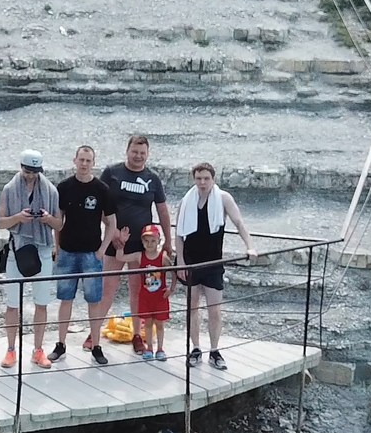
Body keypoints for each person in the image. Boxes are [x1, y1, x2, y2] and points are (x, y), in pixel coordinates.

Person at [175, 162, 257, 371]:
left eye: (206, 178)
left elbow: (239, 223)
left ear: (213, 179)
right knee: (192, 308)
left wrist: (250, 247)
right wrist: (181, 262)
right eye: (198, 178)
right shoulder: (187, 200)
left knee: (215, 310)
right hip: (192, 262)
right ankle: (195, 348)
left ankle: (214, 350)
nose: (202, 182)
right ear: (194, 179)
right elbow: (179, 236)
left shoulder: (223, 199)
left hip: (213, 263)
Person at [100, 135, 172, 355]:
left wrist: (168, 241)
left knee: (137, 291)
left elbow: (162, 210)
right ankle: (93, 333)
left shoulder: (153, 179)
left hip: (142, 246)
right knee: (108, 289)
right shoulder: (111, 173)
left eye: (142, 153)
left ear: (147, 154)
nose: (138, 156)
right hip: (115, 242)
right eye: (135, 151)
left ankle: (137, 335)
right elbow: (101, 207)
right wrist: (111, 234)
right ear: (127, 151)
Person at [49, 145, 117, 365]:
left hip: (91, 254)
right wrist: (57, 248)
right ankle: (60, 344)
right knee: (65, 299)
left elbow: (111, 222)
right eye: (82, 160)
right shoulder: (64, 187)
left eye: (89, 160)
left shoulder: (102, 189)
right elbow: (58, 221)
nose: (85, 164)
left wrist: (102, 249)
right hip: (68, 252)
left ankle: (96, 346)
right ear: (75, 161)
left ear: (93, 163)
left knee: (94, 301)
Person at [0, 149, 63, 369]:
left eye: (35, 171)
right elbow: (1, 222)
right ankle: (10, 349)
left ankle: (38, 349)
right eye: (28, 170)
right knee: (12, 303)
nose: (31, 175)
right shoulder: (9, 189)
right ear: (21, 167)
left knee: (41, 302)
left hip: (42, 248)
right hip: (18, 247)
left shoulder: (51, 191)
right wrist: (18, 218)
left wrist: (47, 219)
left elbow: (59, 224)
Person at [136, 225, 171, 361]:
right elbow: (121, 257)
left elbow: (175, 271)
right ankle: (149, 347)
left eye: (153, 241)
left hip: (160, 296)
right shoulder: (140, 256)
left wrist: (171, 288)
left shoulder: (163, 257)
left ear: (158, 241)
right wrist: (121, 243)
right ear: (142, 242)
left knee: (160, 324)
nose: (149, 244)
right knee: (148, 323)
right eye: (146, 241)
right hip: (145, 297)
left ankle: (160, 348)